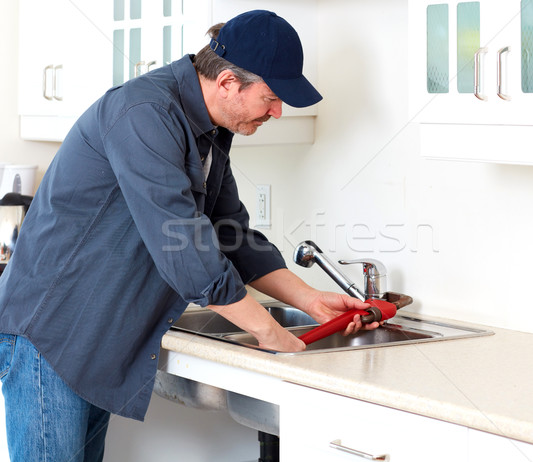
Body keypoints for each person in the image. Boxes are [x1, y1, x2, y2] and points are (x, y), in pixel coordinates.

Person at [0, 9, 378, 462]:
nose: (277, 111)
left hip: (97, 336)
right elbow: (184, 246)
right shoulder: (145, 113)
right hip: (52, 334)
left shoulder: (210, 129)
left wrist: (311, 301)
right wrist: (269, 332)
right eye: (272, 97)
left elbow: (230, 233)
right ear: (227, 83)